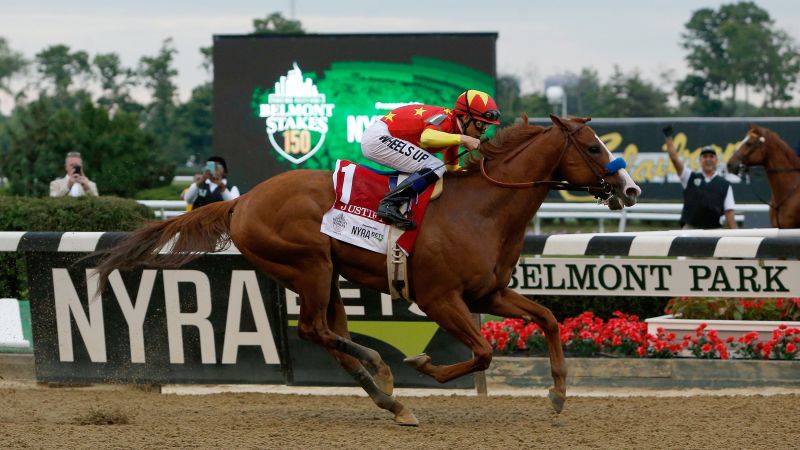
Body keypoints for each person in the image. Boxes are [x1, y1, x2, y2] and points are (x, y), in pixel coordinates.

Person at [361, 89, 500, 229]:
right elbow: (426, 137)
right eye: (481, 124)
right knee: (435, 165)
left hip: (381, 136)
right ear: (465, 118)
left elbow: (452, 169)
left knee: (437, 167)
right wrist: (463, 139)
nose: (483, 130)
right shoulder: (446, 118)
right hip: (377, 138)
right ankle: (389, 204)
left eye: (487, 126)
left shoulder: (455, 129)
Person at [663, 126, 737, 229]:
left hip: (714, 230)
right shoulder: (689, 177)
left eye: (711, 157)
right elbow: (675, 159)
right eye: (705, 156)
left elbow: (729, 212)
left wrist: (736, 235)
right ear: (700, 160)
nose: (708, 160)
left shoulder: (724, 185)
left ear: (716, 160)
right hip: (690, 228)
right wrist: (668, 138)